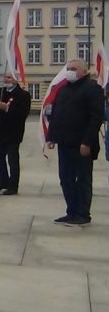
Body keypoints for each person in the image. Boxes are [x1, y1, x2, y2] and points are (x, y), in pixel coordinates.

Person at [47, 59, 104, 226]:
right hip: (64, 143)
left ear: (84, 71)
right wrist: (51, 136)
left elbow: (96, 118)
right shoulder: (63, 90)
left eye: (73, 69)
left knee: (83, 179)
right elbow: (55, 115)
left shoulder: (93, 88)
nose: (70, 71)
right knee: (66, 178)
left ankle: (83, 214)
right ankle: (71, 211)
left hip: (82, 145)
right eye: (68, 68)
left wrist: (87, 142)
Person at [0, 73, 31, 195]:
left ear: (16, 80)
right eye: (5, 77)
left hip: (13, 134)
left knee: (13, 161)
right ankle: (3, 182)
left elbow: (23, 114)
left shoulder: (23, 95)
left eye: (9, 77)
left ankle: (13, 186)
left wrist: (7, 108)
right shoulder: (0, 92)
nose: (5, 79)